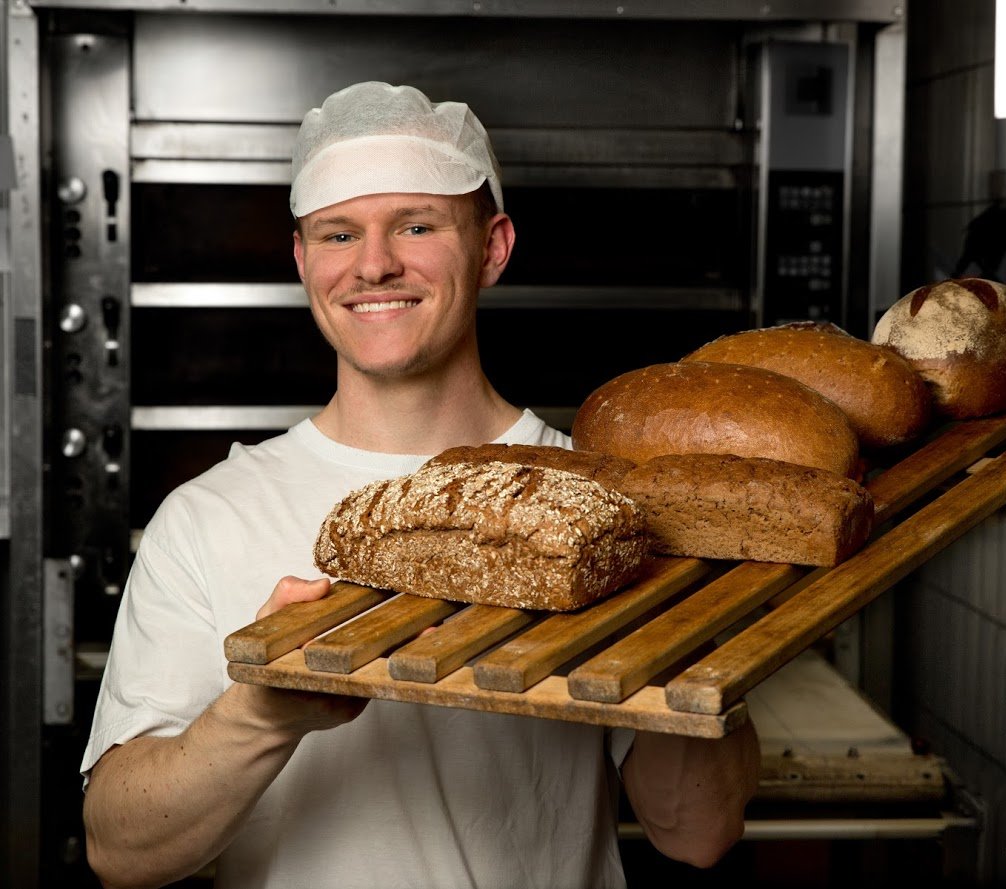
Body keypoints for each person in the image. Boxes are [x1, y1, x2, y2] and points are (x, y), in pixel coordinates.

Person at [80, 81, 759, 889]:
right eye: (339, 233)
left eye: (415, 224)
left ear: (493, 247)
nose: (373, 264)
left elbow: (697, 833)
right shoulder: (209, 516)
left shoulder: (606, 506)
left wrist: (681, 611)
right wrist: (260, 712)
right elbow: (120, 851)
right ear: (303, 261)